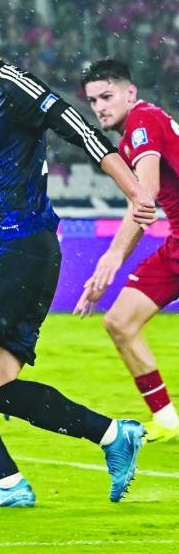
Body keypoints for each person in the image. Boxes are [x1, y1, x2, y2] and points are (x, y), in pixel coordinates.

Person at [0, 0, 157, 508]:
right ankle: (112, 435)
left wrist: (137, 192)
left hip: (18, 250)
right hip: (16, 251)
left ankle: (8, 483)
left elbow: (84, 133)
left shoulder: (15, 85)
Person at [75, 58, 179, 443]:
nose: (100, 106)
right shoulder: (137, 129)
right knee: (119, 321)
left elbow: (145, 195)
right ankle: (167, 421)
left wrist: (113, 256)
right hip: (176, 245)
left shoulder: (142, 122)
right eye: (93, 101)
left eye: (107, 96)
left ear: (130, 93)